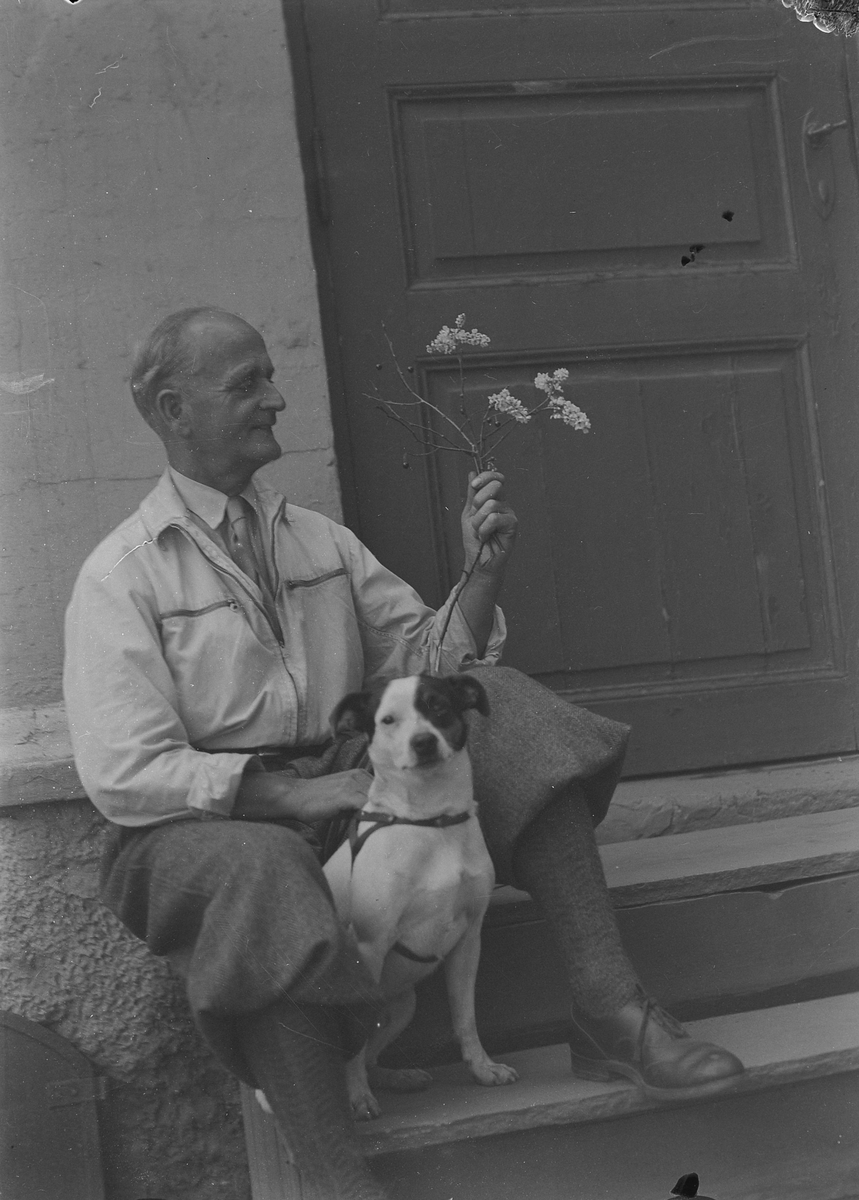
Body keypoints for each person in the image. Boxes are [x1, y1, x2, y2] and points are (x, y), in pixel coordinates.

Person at [64, 308, 743, 1200]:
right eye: (246, 385)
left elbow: (429, 664)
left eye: (271, 374)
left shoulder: (316, 540)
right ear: (172, 409)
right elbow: (124, 773)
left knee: (497, 704)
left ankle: (607, 1005)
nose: (275, 397)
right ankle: (339, 1177)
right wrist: (286, 798)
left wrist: (482, 571)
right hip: (190, 829)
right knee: (263, 869)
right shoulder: (124, 575)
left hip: (348, 781)